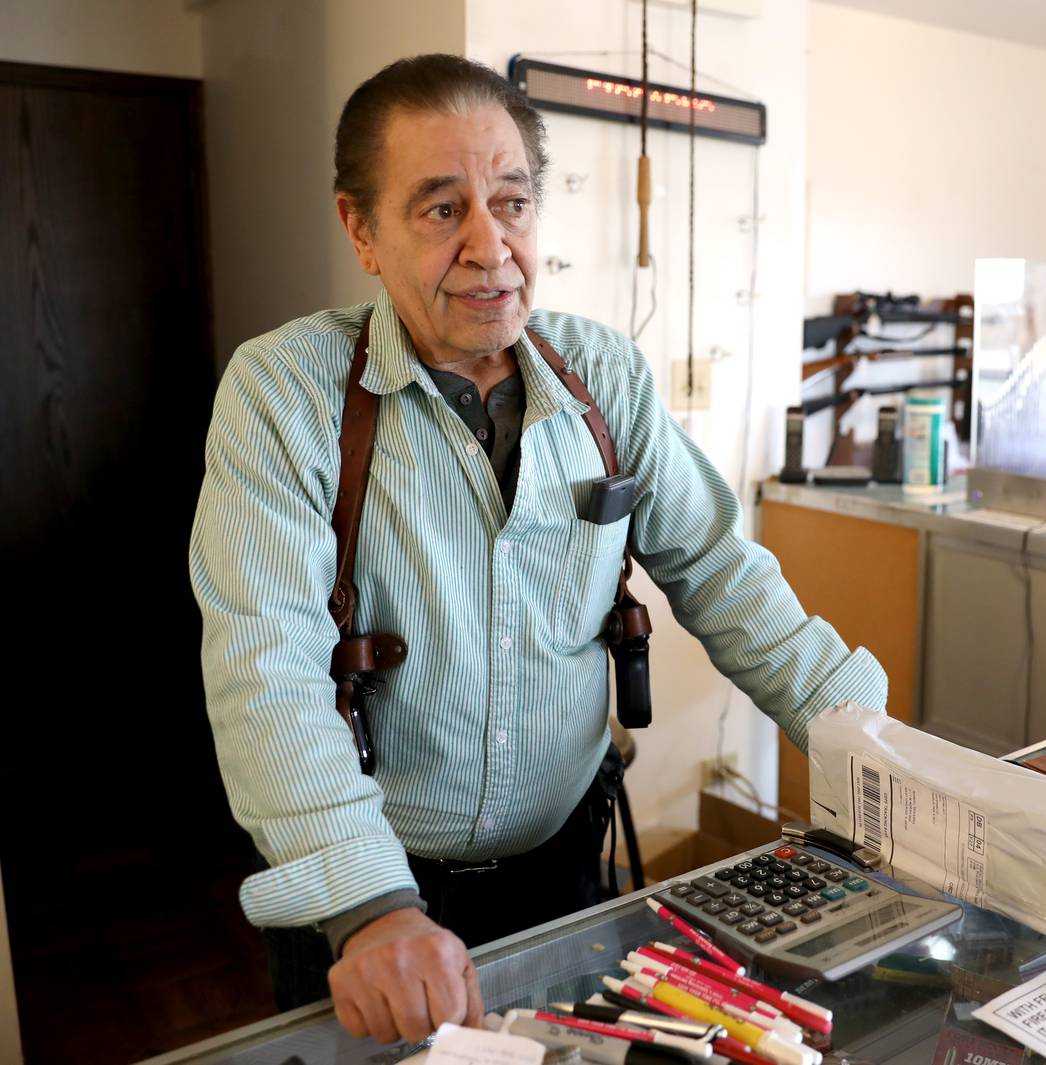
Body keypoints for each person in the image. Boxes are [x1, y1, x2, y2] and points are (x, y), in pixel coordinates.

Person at [189, 54, 887, 1046]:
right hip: (372, 896)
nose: (491, 244)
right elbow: (267, 669)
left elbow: (728, 579)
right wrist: (370, 909)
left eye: (511, 201)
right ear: (361, 230)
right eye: (441, 211)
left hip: (568, 873)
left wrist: (876, 751)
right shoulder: (282, 393)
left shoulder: (605, 374)